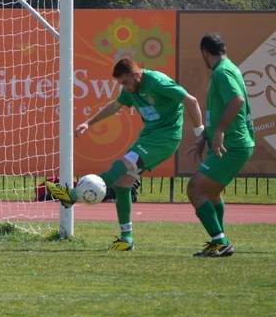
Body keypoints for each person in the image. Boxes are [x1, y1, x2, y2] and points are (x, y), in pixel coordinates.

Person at [46, 57, 203, 250]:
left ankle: (72, 195)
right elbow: (115, 105)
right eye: (121, 84)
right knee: (123, 184)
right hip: (148, 138)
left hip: (165, 139)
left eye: (126, 82)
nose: (125, 87)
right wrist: (88, 123)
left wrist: (200, 133)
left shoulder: (157, 82)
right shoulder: (130, 89)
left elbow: (191, 101)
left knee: (121, 165)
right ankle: (126, 239)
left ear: (137, 75)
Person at [186, 33, 255, 257]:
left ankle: (220, 242)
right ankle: (220, 242)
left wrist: (219, 132)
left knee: (195, 189)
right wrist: (205, 137)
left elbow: (237, 101)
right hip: (235, 143)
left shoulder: (222, 72)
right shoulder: (229, 68)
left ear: (205, 53)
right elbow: (221, 109)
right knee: (212, 193)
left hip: (233, 144)